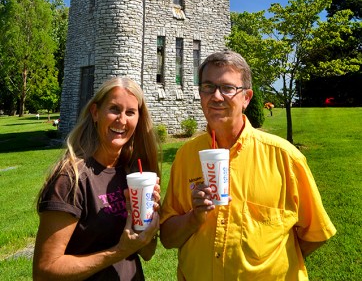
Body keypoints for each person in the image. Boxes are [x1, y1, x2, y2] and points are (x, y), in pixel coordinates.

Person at [160, 50, 336, 281]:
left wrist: (272, 263)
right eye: (208, 87)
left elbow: (316, 234)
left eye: (228, 88)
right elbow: (168, 238)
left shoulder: (284, 157)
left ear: (247, 98)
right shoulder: (186, 156)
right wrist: (194, 217)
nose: (216, 96)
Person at [33, 77, 160, 281]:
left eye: (130, 112)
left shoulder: (131, 173)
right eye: (114, 109)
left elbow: (147, 253)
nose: (122, 120)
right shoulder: (70, 179)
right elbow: (44, 272)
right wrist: (118, 251)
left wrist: (145, 220)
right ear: (95, 113)